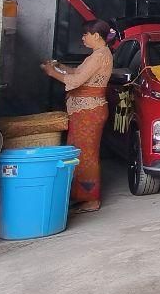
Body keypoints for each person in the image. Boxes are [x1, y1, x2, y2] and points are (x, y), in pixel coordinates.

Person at [40, 20, 115, 213]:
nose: (83, 38)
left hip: (89, 111)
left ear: (96, 36)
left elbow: (76, 80)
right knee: (80, 152)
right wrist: (60, 66)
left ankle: (90, 198)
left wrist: (52, 73)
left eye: (85, 34)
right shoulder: (97, 55)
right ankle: (82, 196)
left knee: (86, 154)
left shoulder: (100, 56)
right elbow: (76, 72)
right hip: (85, 110)